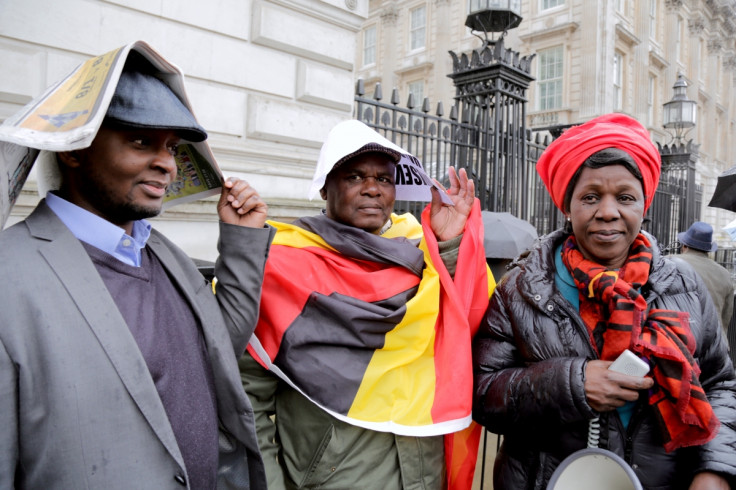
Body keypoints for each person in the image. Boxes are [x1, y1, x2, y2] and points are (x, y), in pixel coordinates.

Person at [0, 52, 274, 489]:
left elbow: (218, 347)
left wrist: (240, 242)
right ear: (73, 149)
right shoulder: (10, 275)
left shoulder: (163, 253)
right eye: (141, 141)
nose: (167, 164)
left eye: (170, 146)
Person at [472, 113, 736, 489]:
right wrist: (572, 383)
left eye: (625, 197)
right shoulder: (521, 288)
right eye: (591, 197)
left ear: (643, 204)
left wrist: (715, 471)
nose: (608, 211)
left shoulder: (685, 284)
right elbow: (483, 393)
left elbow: (719, 384)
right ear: (567, 205)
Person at [239, 120, 493, 489]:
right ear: (326, 186)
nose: (372, 189)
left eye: (384, 179)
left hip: (420, 469)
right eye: (355, 177)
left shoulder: (420, 245)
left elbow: (463, 323)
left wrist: (449, 243)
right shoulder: (282, 265)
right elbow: (249, 400)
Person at [674, 221, 734, 338]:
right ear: (708, 250)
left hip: (678, 336)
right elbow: (725, 317)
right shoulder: (724, 274)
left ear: (684, 246)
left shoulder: (670, 262)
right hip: (713, 340)